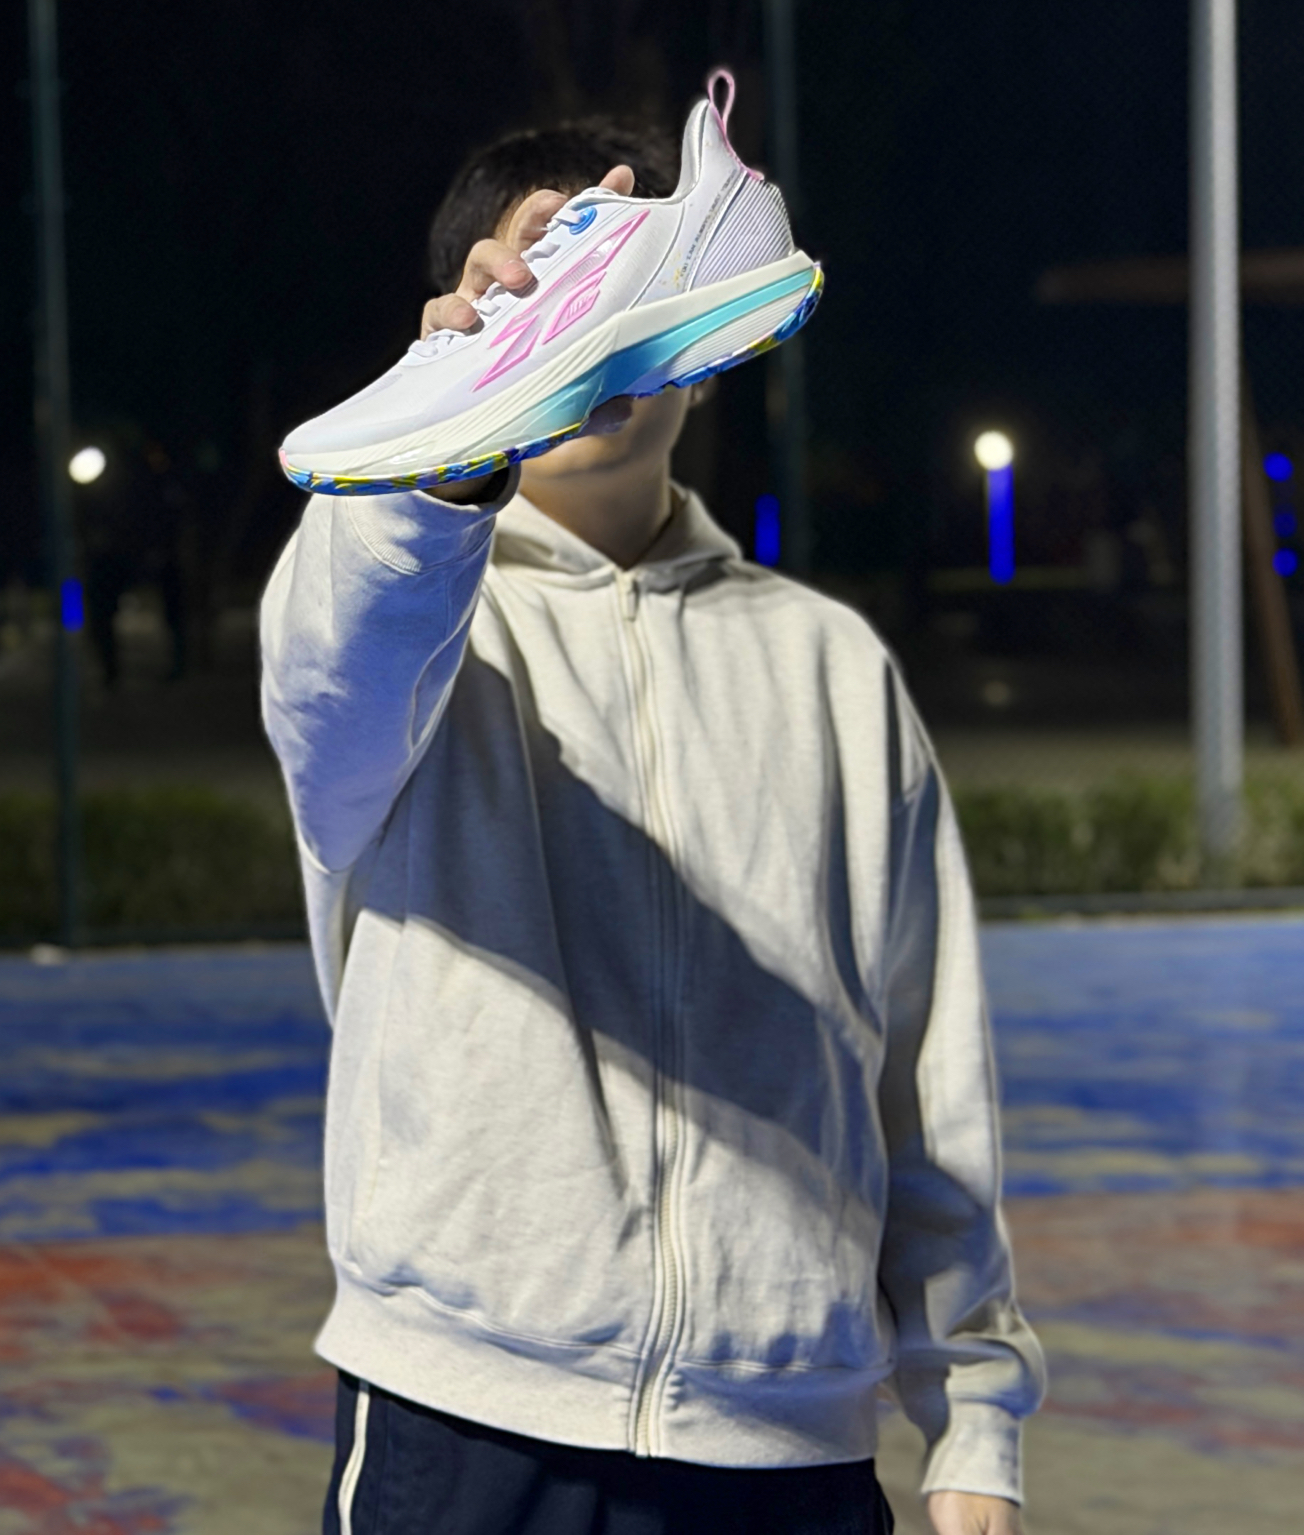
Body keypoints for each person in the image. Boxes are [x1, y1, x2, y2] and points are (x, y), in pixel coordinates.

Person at [261, 115, 1044, 1535]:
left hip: (786, 1433)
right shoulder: (404, 623)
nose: (596, 343)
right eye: (551, 287)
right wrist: (453, 454)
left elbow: (923, 1053)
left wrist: (972, 1409)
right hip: (467, 1408)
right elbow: (333, 675)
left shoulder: (826, 662)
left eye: (621, 287)